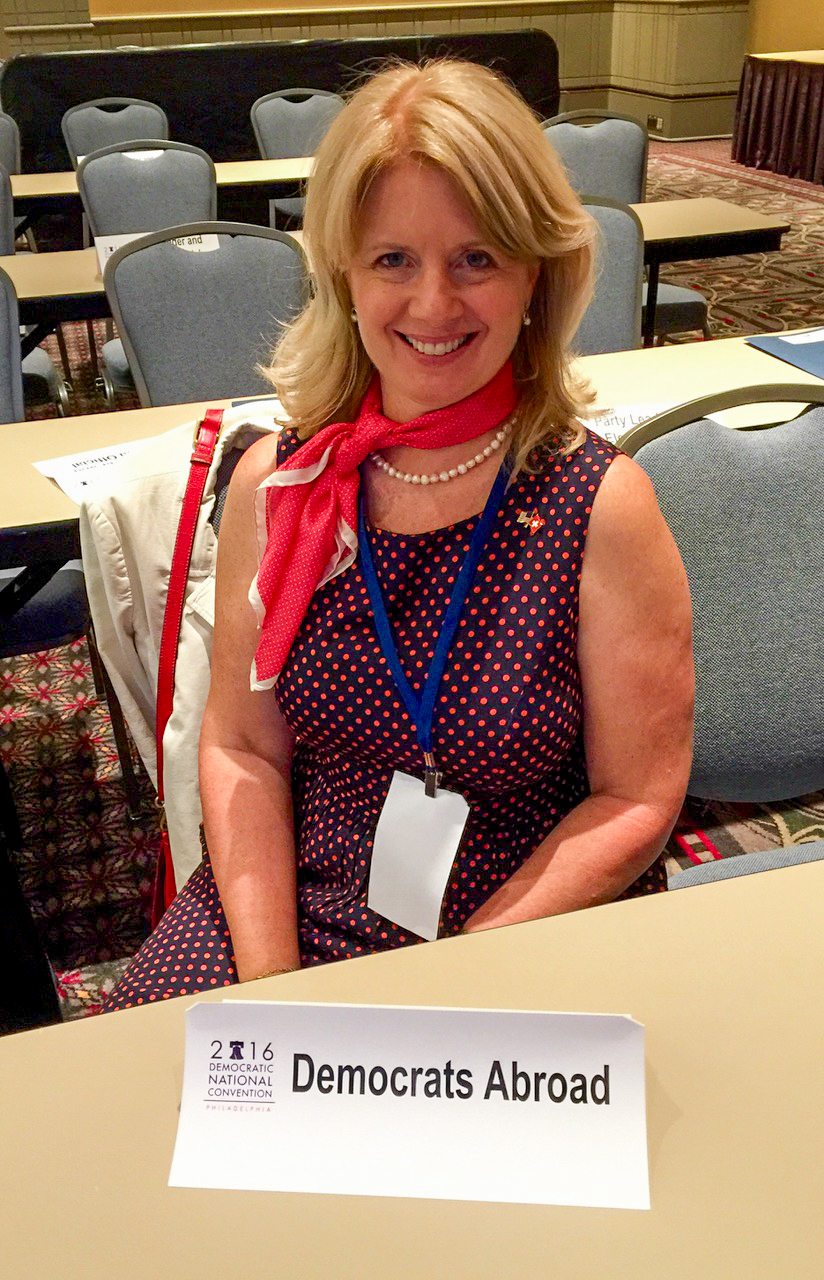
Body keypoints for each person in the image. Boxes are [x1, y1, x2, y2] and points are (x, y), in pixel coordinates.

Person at [106, 59, 693, 1009]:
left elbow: (636, 799)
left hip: (527, 913)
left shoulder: (601, 505)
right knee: (142, 1083)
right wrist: (274, 988)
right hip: (296, 895)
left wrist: (444, 988)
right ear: (343, 272)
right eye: (393, 260)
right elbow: (244, 749)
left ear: (536, 272)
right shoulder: (285, 485)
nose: (432, 305)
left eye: (477, 258)